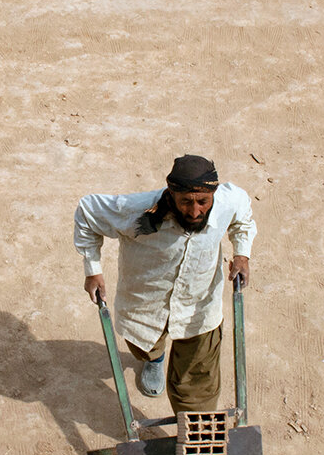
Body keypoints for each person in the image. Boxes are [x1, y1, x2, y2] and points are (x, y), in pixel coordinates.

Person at [73, 154, 256, 413]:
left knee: (198, 383)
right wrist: (93, 270)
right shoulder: (135, 209)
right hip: (145, 304)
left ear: (213, 195)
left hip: (199, 307)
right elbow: (87, 212)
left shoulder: (228, 200)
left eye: (203, 202)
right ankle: (155, 359)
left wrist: (242, 254)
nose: (195, 212)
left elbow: (243, 218)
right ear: (171, 194)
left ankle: (197, 433)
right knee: (144, 347)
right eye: (186, 202)